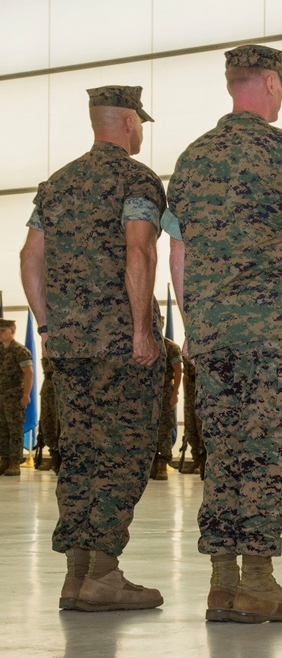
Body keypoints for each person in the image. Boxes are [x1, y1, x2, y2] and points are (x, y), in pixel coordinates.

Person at [166, 45, 282, 623]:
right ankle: (260, 581)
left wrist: (193, 323)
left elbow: (179, 248)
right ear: (268, 83)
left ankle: (222, 583)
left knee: (224, 451)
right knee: (272, 452)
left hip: (213, 334)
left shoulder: (192, 157)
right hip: (272, 332)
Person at [20, 85, 167, 611]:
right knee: (121, 455)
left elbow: (30, 257)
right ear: (128, 123)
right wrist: (141, 331)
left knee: (79, 456)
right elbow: (140, 249)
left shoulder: (56, 185)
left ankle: (75, 576)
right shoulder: (136, 178)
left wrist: (45, 324)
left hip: (69, 345)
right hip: (118, 345)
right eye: (140, 121)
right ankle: (103, 575)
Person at [0, 319, 33, 477]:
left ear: (12, 332)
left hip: (14, 396)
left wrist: (26, 394)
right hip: (1, 396)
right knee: (2, 430)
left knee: (14, 430)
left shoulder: (20, 350)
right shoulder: (1, 350)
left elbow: (29, 373)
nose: (0, 334)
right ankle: (4, 460)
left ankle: (14, 462)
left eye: (2, 331)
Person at [151, 337, 183, 481]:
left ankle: (162, 464)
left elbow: (178, 371)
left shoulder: (171, 347)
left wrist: (175, 393)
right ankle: (151, 465)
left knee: (164, 428)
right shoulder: (147, 342)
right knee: (148, 428)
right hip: (148, 393)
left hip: (164, 392)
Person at [35, 355, 61, 473]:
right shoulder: (46, 347)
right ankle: (53, 456)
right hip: (46, 388)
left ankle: (59, 459)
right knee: (46, 423)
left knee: (57, 425)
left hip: (58, 389)